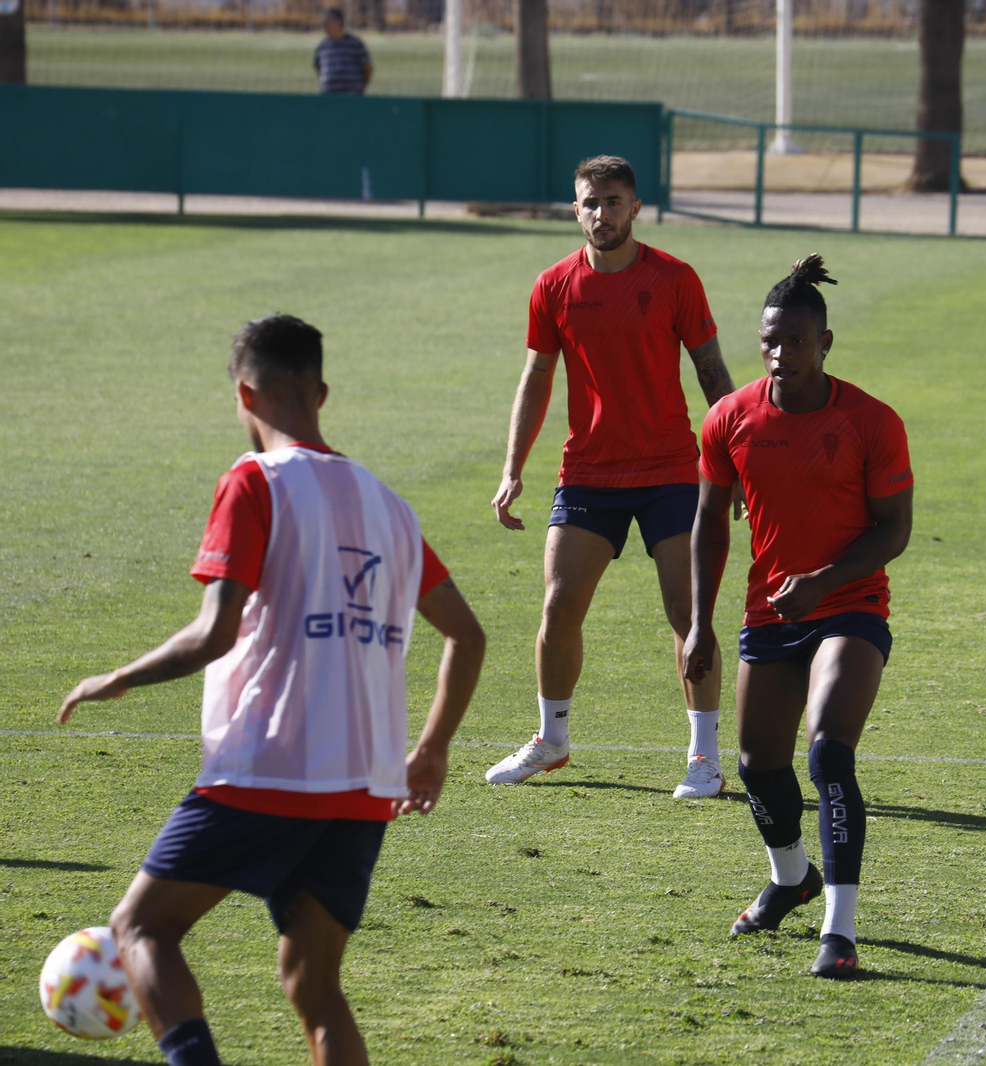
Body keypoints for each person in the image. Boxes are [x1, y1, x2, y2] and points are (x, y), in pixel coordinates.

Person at [58, 314, 486, 1066]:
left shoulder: (255, 482)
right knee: (314, 985)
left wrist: (117, 677)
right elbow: (468, 635)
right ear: (320, 393)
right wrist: (432, 750)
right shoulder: (389, 506)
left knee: (142, 928)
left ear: (244, 395)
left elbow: (213, 633)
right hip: (365, 784)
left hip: (269, 768)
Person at [683, 255, 914, 979]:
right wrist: (699, 623)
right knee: (758, 766)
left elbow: (894, 530)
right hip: (771, 613)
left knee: (828, 754)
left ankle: (840, 931)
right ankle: (791, 879)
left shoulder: (871, 421)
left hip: (850, 604)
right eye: (769, 341)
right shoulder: (730, 418)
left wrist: (823, 581)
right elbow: (709, 524)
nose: (781, 354)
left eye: (796, 341)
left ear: (826, 343)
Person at [485, 155, 741, 800]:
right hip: (589, 472)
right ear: (576, 209)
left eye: (615, 201)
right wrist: (513, 468)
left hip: (670, 471)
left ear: (636, 208)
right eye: (591, 202)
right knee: (558, 606)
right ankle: (552, 739)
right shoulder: (554, 286)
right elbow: (537, 376)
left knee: (688, 614)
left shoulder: (675, 279)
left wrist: (739, 461)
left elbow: (712, 373)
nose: (603, 213)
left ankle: (704, 758)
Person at [313, 8, 372, 96]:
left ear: (339, 22)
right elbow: (318, 68)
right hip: (328, 95)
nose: (324, 25)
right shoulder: (322, 46)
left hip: (352, 95)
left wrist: (359, 86)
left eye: (328, 22)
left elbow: (367, 68)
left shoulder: (355, 44)